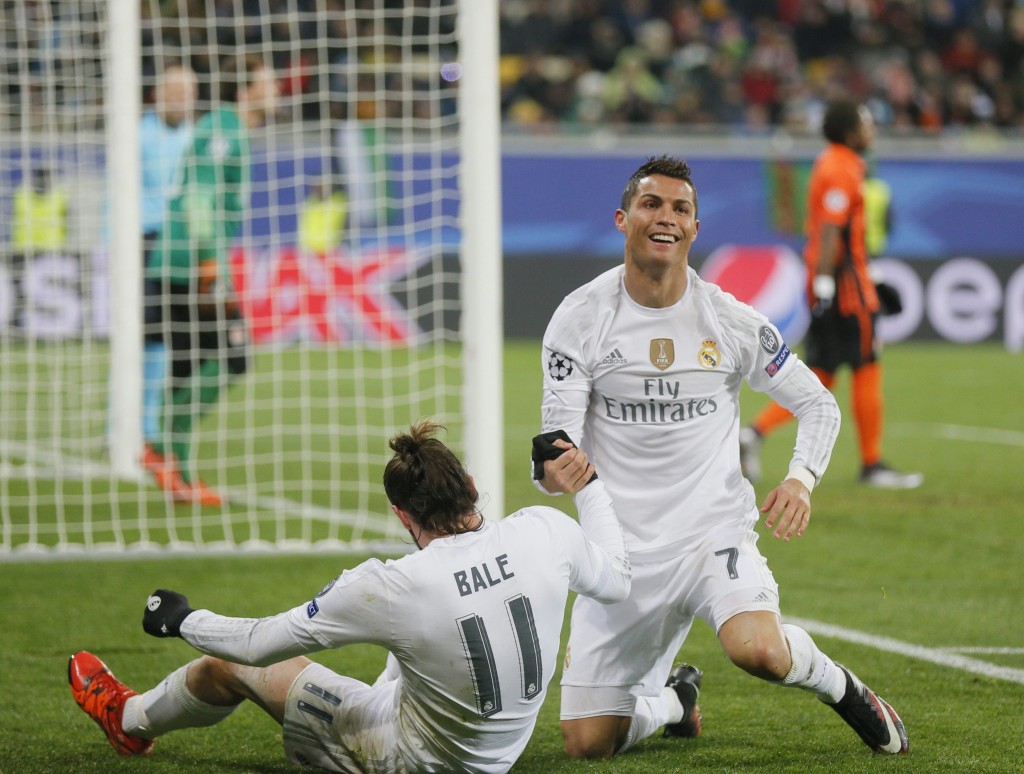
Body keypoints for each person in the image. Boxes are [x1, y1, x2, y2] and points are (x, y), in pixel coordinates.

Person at [536, 155, 909, 759]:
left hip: (711, 535)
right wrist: (555, 473)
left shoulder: (730, 320)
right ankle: (675, 703)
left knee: (759, 651)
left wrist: (801, 479)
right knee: (588, 743)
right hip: (619, 554)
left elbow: (818, 404)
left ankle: (840, 686)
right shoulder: (579, 318)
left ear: (694, 228)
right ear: (623, 219)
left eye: (680, 208)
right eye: (651, 204)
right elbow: (555, 448)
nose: (666, 217)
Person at [69, 420, 631, 773]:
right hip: (503, 751)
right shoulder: (544, 530)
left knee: (224, 665)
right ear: (471, 488)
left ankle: (128, 719)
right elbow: (618, 580)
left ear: (401, 515)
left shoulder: (392, 585)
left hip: (413, 760)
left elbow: (259, 645)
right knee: (419, 646)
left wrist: (184, 619)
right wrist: (586, 485)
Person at [739, 99, 923, 490]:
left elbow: (842, 235)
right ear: (850, 132)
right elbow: (830, 233)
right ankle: (872, 464)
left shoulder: (832, 163)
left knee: (821, 375)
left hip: (840, 283)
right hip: (847, 292)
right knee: (867, 364)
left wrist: (864, 276)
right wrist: (827, 288)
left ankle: (754, 433)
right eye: (866, 123)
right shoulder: (842, 168)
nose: (872, 130)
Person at [141, 53, 279, 506]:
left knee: (188, 365)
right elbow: (198, 196)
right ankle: (160, 445)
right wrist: (208, 262)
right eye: (267, 82)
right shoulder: (223, 131)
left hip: (177, 261)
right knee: (234, 356)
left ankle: (175, 469)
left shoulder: (228, 130)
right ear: (245, 91)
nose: (276, 89)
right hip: (192, 262)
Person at [139, 63, 198, 444]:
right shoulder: (137, 136)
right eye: (176, 92)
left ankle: (156, 424)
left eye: (188, 93)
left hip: (183, 245)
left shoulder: (195, 136)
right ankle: (129, 424)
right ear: (158, 94)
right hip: (144, 242)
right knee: (145, 335)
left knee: (174, 338)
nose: (182, 99)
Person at [298, 176, 348, 255]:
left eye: (320, 187)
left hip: (335, 249)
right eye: (315, 187)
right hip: (311, 252)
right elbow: (302, 230)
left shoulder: (339, 201)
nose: (317, 190)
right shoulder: (309, 203)